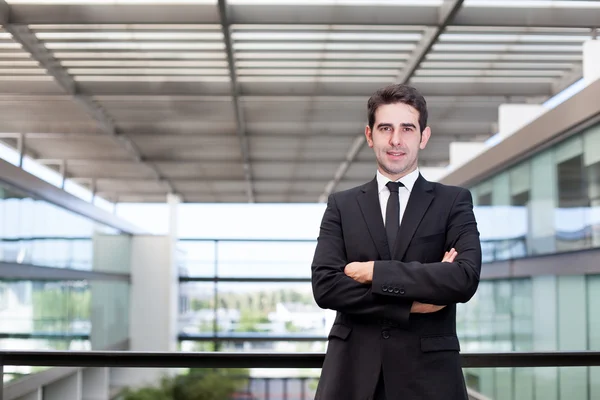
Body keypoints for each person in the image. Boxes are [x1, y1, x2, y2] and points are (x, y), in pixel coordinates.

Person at [311, 84, 482, 399]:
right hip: (352, 378)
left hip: (429, 380)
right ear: (369, 135)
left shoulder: (453, 201)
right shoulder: (342, 205)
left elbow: (463, 278)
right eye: (385, 128)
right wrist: (414, 303)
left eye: (407, 128)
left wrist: (375, 272)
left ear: (423, 136)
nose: (395, 140)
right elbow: (325, 286)